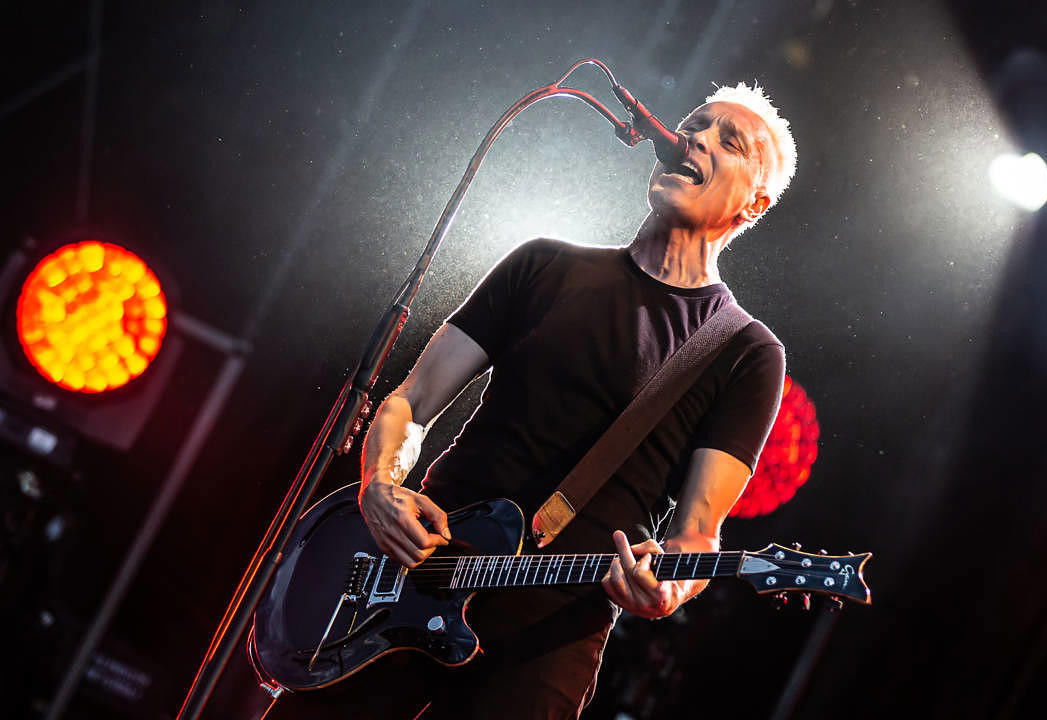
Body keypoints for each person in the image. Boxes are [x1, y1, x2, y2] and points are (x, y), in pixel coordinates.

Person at [261, 82, 797, 720]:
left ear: (755, 203)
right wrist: (380, 483)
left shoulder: (743, 352)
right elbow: (413, 399)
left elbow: (698, 536)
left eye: (726, 140)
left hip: (546, 637)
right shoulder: (545, 265)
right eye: (694, 124)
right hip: (410, 570)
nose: (696, 138)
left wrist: (669, 588)